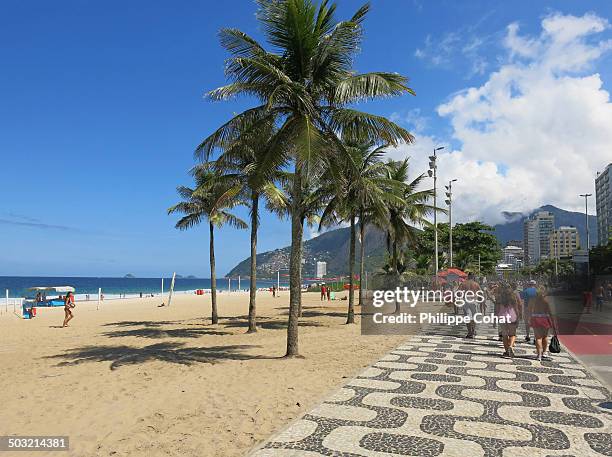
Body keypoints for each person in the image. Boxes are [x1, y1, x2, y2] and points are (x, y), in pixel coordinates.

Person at [497, 283, 522, 358]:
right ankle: (510, 346)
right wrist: (519, 316)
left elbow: (497, 308)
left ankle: (506, 351)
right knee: (512, 334)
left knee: (504, 335)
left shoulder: (500, 297)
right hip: (512, 316)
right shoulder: (513, 296)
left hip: (502, 317)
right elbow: (517, 307)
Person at [530, 289, 555, 361]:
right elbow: (550, 312)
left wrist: (529, 318)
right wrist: (552, 321)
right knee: (545, 337)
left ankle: (539, 355)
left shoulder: (533, 301)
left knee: (538, 338)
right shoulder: (546, 301)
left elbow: (529, 310)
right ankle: (544, 352)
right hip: (545, 319)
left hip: (536, 319)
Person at [459, 273, 481, 339]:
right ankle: (473, 331)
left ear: (468, 277)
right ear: (473, 277)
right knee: (474, 317)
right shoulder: (476, 284)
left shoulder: (463, 283)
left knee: (468, 317)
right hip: (474, 301)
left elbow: (458, 292)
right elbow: (480, 293)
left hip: (466, 301)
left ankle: (469, 332)